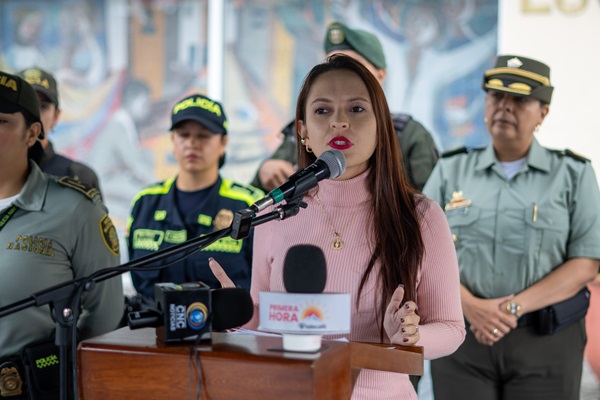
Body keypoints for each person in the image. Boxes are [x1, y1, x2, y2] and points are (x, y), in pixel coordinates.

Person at [209, 54, 465, 400]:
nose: (339, 123)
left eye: (356, 109)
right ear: (302, 131)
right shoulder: (276, 212)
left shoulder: (420, 216)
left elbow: (451, 328)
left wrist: (411, 337)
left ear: (381, 124)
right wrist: (236, 315)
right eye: (323, 111)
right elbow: (262, 327)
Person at [423, 55, 600, 400]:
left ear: (543, 112)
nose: (505, 106)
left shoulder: (574, 175)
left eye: (519, 99)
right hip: (462, 338)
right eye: (496, 96)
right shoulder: (450, 170)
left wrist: (510, 309)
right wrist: (471, 306)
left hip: (545, 340)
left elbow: (586, 261)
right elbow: (419, 251)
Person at [0, 71, 123, 395]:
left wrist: (52, 364)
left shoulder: (75, 209)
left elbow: (104, 316)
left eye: (1, 121)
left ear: (33, 133)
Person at [251, 21, 438, 193]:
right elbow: (259, 198)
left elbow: (430, 201)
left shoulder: (409, 135)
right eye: (332, 66)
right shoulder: (306, 130)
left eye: (353, 68)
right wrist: (266, 171)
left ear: (380, 76)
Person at [127, 93, 264, 302]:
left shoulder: (249, 204)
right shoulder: (145, 202)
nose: (192, 144)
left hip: (226, 331)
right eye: (183, 135)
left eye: (203, 136)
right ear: (172, 140)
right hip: (153, 331)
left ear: (223, 142)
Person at [16, 66, 101, 192]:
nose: (34, 114)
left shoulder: (80, 179)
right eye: (24, 104)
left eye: (43, 106)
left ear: (56, 116)